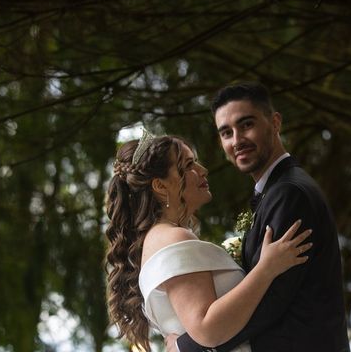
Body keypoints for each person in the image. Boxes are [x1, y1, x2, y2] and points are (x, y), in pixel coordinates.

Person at [171, 82, 351, 352]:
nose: (237, 140)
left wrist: (189, 347)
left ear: (275, 122)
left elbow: (270, 298)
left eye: (246, 125)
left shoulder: (290, 194)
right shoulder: (275, 191)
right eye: (226, 132)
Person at [105, 131, 313, 352]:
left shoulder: (160, 239)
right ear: (161, 186)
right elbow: (207, 329)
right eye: (188, 165)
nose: (202, 170)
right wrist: (266, 269)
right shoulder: (172, 238)